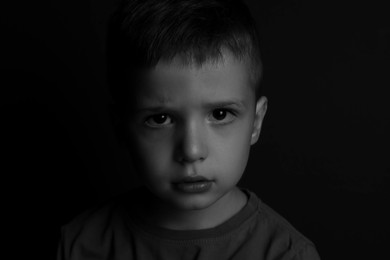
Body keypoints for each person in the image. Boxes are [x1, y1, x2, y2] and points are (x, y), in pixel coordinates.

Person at [57, 0, 321, 259]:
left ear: (256, 122)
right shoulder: (82, 246)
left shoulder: (285, 254)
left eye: (220, 114)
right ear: (121, 127)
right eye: (160, 119)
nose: (192, 151)